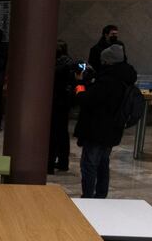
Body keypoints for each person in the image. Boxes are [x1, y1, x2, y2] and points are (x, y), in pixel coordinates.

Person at [73, 44, 137, 198]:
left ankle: (88, 196)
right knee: (103, 163)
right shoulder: (125, 77)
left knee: (89, 164)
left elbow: (85, 100)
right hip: (113, 129)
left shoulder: (107, 81)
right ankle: (101, 195)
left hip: (97, 130)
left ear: (108, 61)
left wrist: (79, 84)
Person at [48, 40, 76, 174]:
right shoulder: (69, 63)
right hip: (65, 102)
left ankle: (50, 164)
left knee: (54, 134)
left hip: (58, 102)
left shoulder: (60, 65)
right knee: (62, 133)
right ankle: (63, 162)